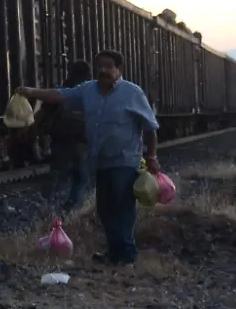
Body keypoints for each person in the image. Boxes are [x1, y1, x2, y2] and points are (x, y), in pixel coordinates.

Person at [17, 50, 160, 266]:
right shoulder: (88, 90)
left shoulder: (132, 93)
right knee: (105, 209)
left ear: (119, 69)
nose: (102, 70)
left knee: (122, 207)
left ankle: (127, 255)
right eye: (99, 66)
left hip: (125, 161)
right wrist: (31, 92)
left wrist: (152, 156)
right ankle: (114, 253)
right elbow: (60, 94)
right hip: (101, 161)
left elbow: (150, 128)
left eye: (108, 66)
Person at [33, 59, 92, 213]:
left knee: (57, 172)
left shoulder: (61, 91)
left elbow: (42, 113)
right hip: (83, 141)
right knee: (81, 177)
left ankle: (47, 204)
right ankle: (70, 209)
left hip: (61, 140)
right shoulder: (91, 93)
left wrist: (30, 130)